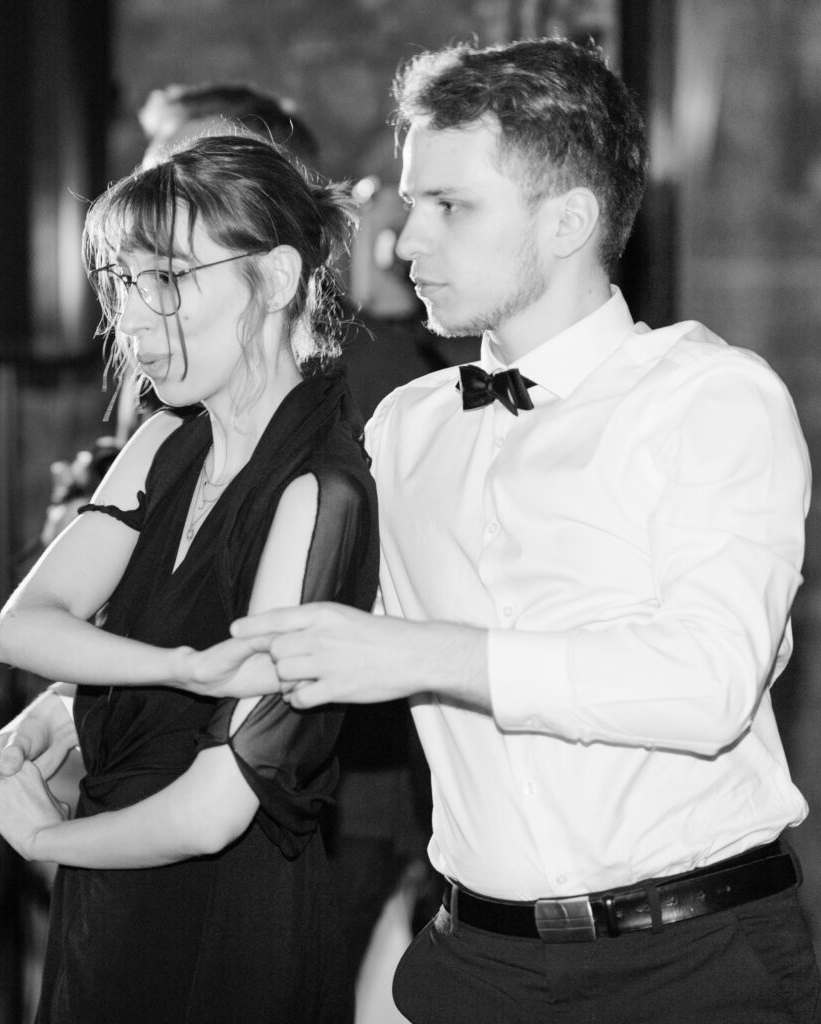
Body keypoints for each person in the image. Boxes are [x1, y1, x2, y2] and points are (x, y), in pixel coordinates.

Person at [219, 38, 820, 1024]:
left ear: (566, 220)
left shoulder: (708, 398)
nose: (402, 244)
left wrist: (423, 653)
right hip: (474, 964)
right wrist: (74, 707)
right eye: (410, 204)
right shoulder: (405, 425)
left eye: (448, 207)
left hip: (692, 967)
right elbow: (301, 626)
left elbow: (704, 683)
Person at [0, 132, 378, 1024]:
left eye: (169, 280)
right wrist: (168, 669)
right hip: (111, 900)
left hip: (222, 926)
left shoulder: (317, 490)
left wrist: (45, 837)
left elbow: (215, 811)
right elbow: (22, 626)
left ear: (277, 277)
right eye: (121, 282)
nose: (133, 319)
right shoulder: (161, 443)